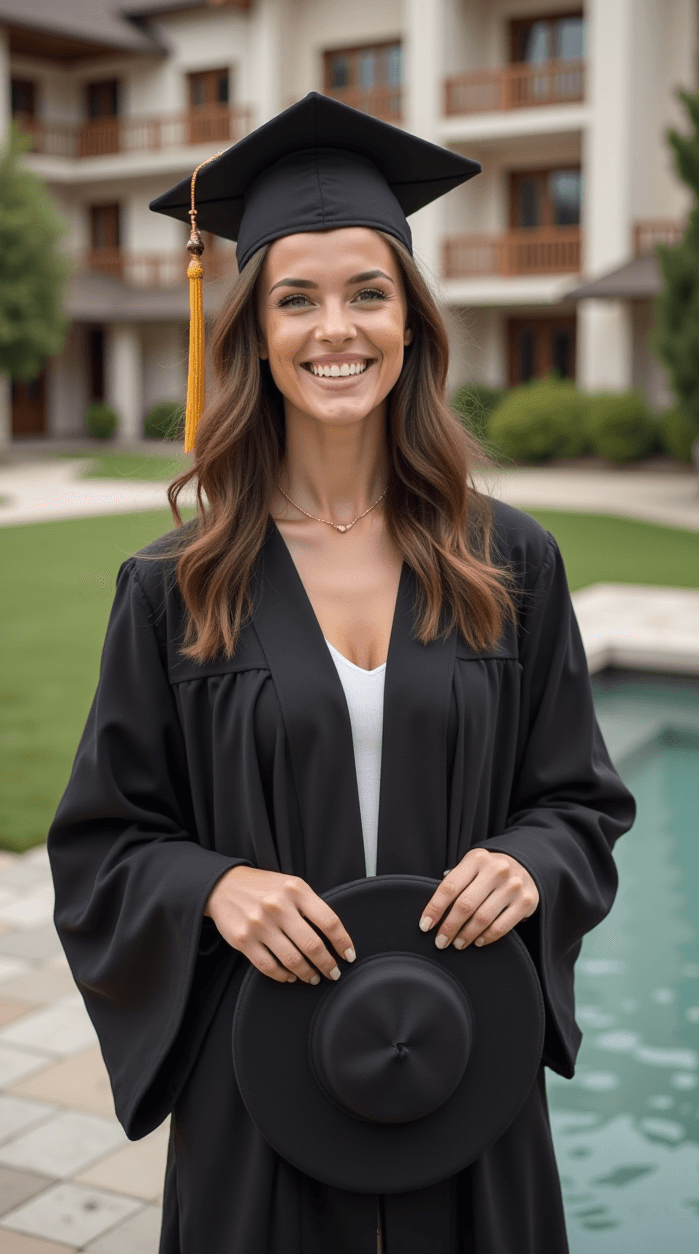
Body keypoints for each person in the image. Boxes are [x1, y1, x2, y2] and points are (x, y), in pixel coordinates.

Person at [48, 94, 635, 1254]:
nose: (337, 330)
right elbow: (104, 844)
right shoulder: (176, 586)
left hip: (467, 1063)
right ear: (254, 332)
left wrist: (528, 863)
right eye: (296, 298)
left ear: (410, 321)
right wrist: (212, 887)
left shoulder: (508, 560)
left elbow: (580, 804)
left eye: (368, 292)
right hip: (261, 1088)